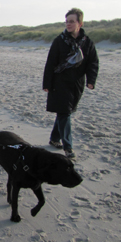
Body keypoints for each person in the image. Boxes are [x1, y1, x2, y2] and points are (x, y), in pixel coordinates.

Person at [43, 8, 99, 160]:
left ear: (80, 23)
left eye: (72, 21)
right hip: (59, 82)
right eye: (66, 21)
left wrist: (91, 80)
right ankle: (68, 147)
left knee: (64, 112)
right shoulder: (59, 41)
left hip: (77, 84)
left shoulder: (87, 43)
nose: (68, 24)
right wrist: (46, 83)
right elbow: (50, 63)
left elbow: (92, 62)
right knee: (65, 112)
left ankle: (55, 138)